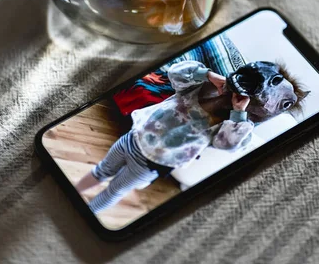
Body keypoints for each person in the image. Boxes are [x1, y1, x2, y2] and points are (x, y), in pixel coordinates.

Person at [75, 60, 253, 214]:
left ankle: (87, 214)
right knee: (101, 170)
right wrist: (208, 75)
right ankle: (73, 193)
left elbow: (229, 144)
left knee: (114, 191)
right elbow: (175, 72)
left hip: (150, 163)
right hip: (133, 137)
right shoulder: (197, 87)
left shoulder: (232, 124)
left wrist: (238, 112)